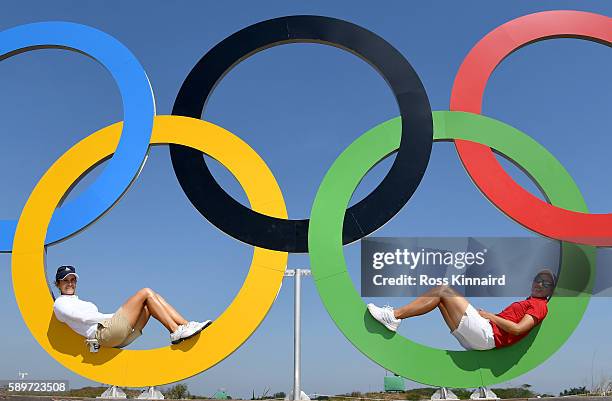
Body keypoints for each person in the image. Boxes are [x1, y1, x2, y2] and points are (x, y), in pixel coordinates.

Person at [367, 269, 556, 350]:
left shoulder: (540, 306)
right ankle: (394, 317)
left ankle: (394, 316)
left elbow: (518, 329)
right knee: (440, 300)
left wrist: (491, 316)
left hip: (487, 334)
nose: (539, 284)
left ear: (551, 290)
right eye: (537, 280)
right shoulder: (531, 301)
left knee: (442, 289)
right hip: (479, 338)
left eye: (545, 283)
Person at [52, 265, 212, 348]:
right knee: (145, 292)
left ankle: (186, 325)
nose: (70, 283)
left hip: (116, 335)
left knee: (154, 299)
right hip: (104, 334)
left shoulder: (78, 301)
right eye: (66, 280)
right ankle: (176, 331)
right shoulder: (60, 304)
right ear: (58, 284)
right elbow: (84, 318)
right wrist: (114, 317)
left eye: (72, 280)